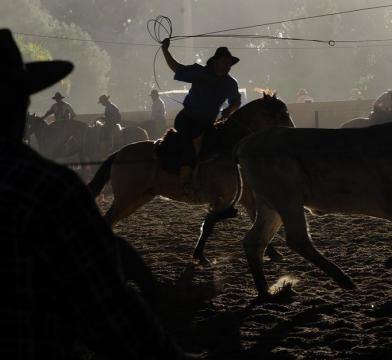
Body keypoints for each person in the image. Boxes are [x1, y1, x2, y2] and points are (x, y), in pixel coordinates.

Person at [0, 28, 189, 359]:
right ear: (20, 102)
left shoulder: (110, 110)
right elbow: (106, 313)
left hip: (111, 125)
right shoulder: (47, 189)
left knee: (106, 132)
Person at [161, 38, 241, 193]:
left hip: (207, 123)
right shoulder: (200, 72)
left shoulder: (230, 83)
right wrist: (165, 50)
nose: (228, 66)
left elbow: (236, 100)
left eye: (230, 64)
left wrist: (230, 109)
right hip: (187, 119)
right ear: (216, 61)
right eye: (226, 62)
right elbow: (177, 68)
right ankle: (186, 182)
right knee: (189, 147)